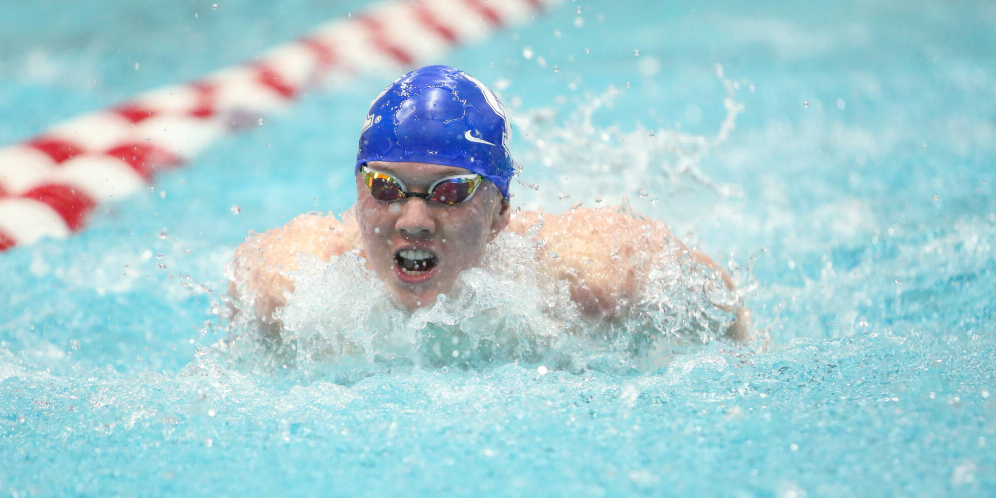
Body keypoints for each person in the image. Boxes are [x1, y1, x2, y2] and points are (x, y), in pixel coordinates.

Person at [229, 65, 749, 342]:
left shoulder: (586, 277)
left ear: (501, 212)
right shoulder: (289, 288)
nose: (413, 222)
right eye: (386, 188)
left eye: (449, 192)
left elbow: (721, 301)